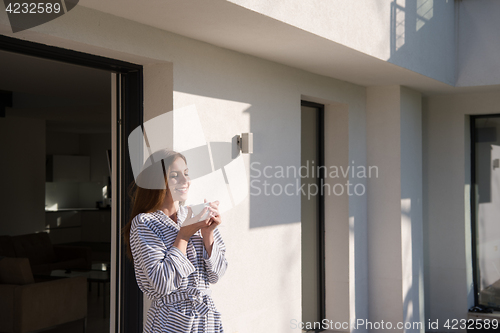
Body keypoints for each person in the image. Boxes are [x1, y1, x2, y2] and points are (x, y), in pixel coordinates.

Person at [122, 149, 228, 333]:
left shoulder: (195, 215)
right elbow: (161, 284)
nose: (185, 181)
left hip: (206, 321)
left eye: (186, 174)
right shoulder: (145, 223)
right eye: (174, 176)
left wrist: (208, 233)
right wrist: (184, 235)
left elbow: (216, 275)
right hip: (171, 322)